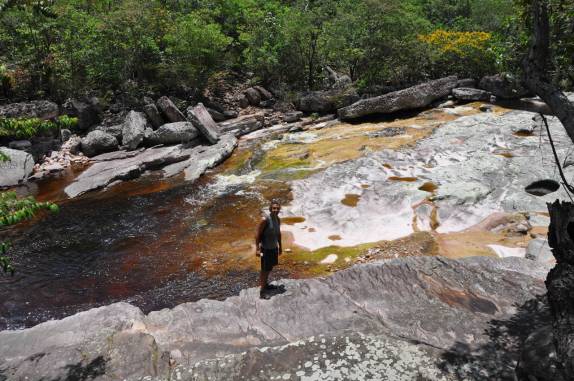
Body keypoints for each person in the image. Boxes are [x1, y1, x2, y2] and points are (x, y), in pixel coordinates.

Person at [255, 199, 283, 299]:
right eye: (274, 208)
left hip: (273, 248)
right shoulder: (265, 219)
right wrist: (257, 249)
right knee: (264, 269)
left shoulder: (278, 219)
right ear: (270, 209)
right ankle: (262, 292)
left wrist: (280, 246)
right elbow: (257, 234)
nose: (275, 210)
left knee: (269, 268)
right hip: (266, 249)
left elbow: (278, 234)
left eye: (277, 208)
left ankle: (266, 285)